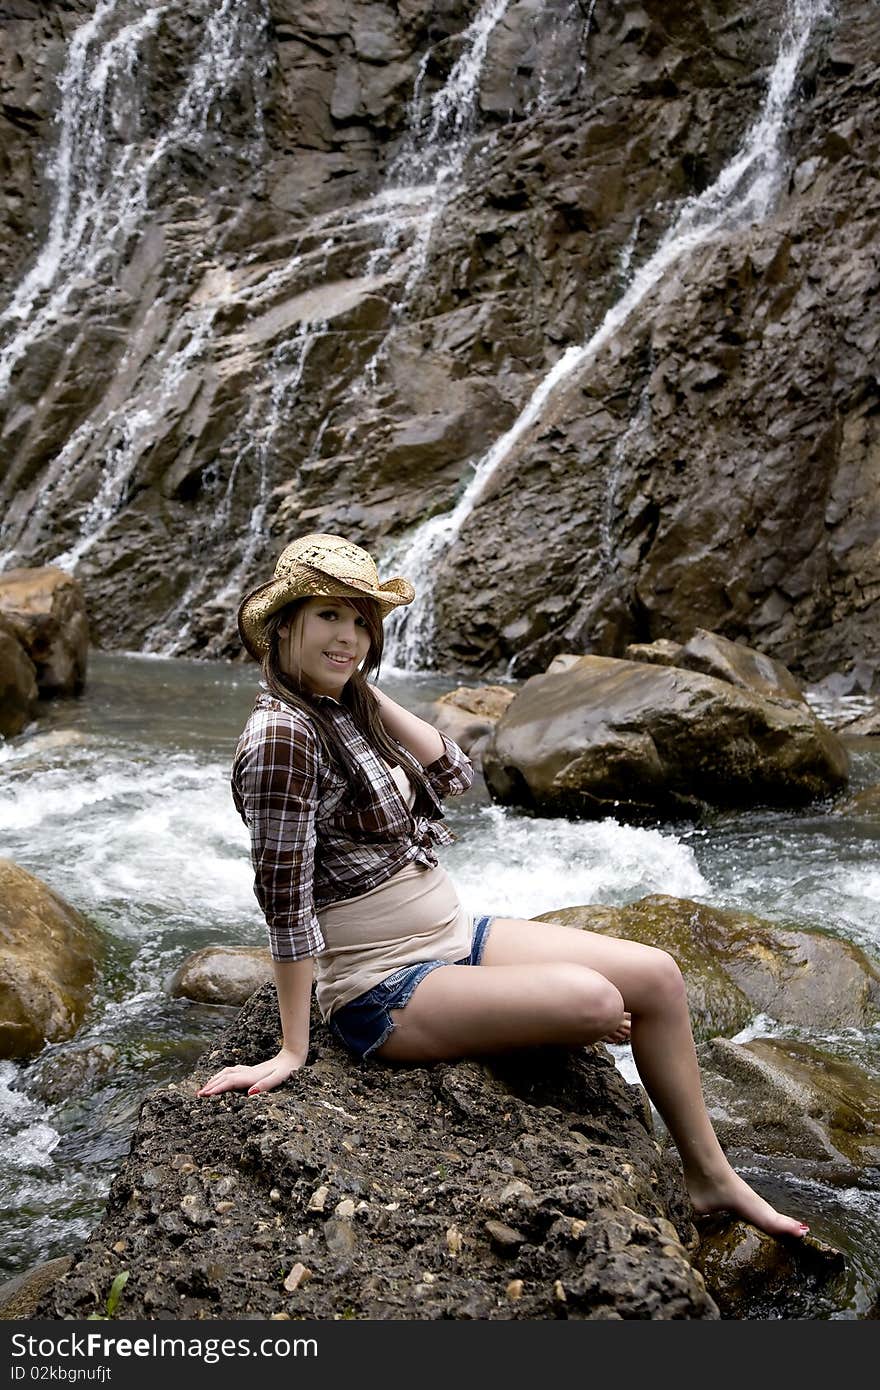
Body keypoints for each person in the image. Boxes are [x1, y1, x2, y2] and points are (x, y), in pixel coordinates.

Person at [198, 532, 809, 1241]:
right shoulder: (283, 738)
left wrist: (358, 682)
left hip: (451, 936)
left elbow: (456, 773)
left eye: (362, 620)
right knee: (598, 1003)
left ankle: (712, 1176)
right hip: (382, 983)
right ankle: (565, 1036)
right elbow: (284, 901)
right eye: (329, 617)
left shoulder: (346, 706)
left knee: (659, 976)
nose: (351, 636)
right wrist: (292, 1050)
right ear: (283, 625)